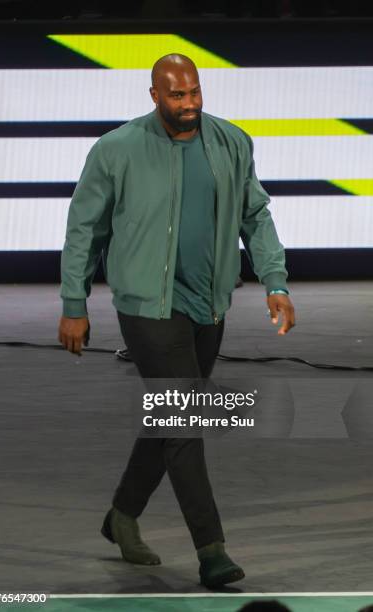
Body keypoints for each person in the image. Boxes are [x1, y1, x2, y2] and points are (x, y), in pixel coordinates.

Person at [58, 53, 295, 588]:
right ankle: (212, 551)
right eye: (176, 95)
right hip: (146, 306)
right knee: (186, 421)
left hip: (209, 303)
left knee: (173, 416)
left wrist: (275, 282)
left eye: (194, 92)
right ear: (154, 95)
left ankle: (121, 516)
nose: (188, 104)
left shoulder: (231, 141)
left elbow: (254, 215)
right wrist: (75, 304)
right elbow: (84, 230)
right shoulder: (116, 149)